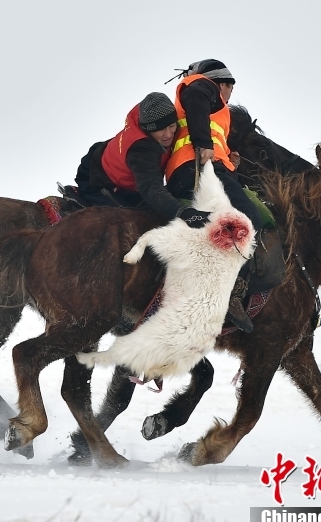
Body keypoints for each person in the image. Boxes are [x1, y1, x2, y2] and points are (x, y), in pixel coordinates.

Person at [165, 58, 263, 332]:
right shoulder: (201, 86)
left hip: (189, 171)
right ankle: (231, 294)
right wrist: (205, 145)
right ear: (223, 83)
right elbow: (198, 106)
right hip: (199, 169)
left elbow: (211, 136)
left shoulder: (216, 110)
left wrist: (230, 160)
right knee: (249, 219)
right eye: (231, 87)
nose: (231, 95)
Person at [75, 92, 188, 220]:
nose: (168, 134)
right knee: (132, 220)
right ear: (148, 129)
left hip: (113, 158)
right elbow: (151, 190)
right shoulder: (141, 151)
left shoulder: (150, 113)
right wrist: (183, 212)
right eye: (160, 129)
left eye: (171, 126)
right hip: (96, 178)